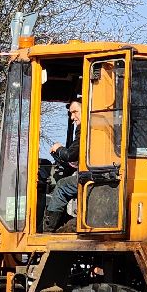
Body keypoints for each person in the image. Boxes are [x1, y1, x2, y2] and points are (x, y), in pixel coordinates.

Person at [44, 97, 83, 231]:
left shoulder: (85, 128)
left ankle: (48, 228)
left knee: (61, 186)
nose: (72, 117)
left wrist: (59, 148)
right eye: (71, 113)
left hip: (90, 176)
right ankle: (64, 221)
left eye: (75, 112)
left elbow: (71, 154)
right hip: (90, 173)